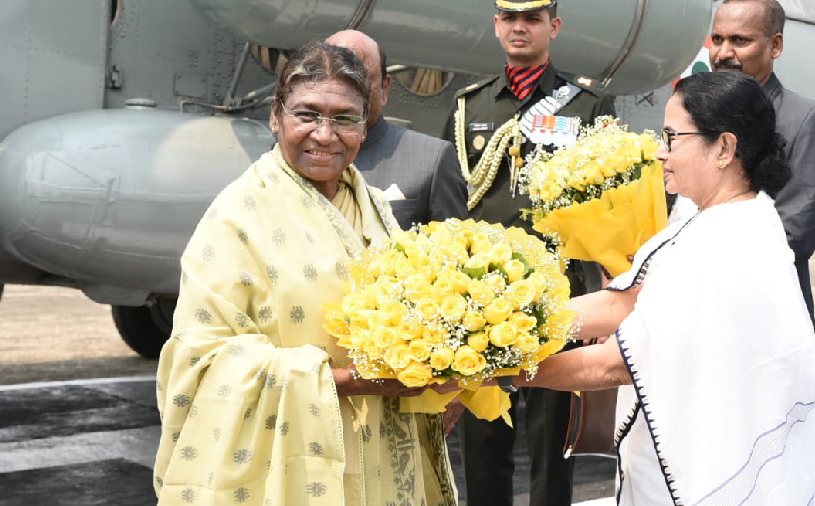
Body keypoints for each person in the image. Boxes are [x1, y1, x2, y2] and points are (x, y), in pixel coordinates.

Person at [153, 41, 457, 506]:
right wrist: (347, 381)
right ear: (276, 117)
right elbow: (202, 360)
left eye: (344, 118)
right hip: (292, 468)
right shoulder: (237, 217)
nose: (325, 134)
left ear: (366, 122)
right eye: (307, 114)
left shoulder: (373, 206)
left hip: (381, 454)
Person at [515, 71, 815, 505]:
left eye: (671, 138)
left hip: (711, 470)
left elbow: (614, 364)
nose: (660, 154)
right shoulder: (728, 218)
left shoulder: (728, 239)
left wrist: (502, 369)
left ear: (723, 147)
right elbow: (625, 302)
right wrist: (513, 320)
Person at [443, 1, 616, 505]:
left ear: (553, 27)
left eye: (533, 19)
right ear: (497, 25)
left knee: (550, 442)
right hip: (480, 296)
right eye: (510, 19)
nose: (520, 27)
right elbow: (452, 201)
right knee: (483, 436)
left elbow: (607, 202)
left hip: (556, 294)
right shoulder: (469, 107)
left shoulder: (585, 108)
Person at [710, 0, 815, 326]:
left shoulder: (807, 120)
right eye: (717, 39)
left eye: (739, 41)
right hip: (696, 312)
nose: (723, 53)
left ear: (775, 45)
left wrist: (695, 259)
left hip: (767, 315)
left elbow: (795, 232)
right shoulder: (696, 117)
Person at [326, 30, 468, 230]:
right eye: (334, 79)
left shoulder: (431, 160)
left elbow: (455, 252)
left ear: (385, 89)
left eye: (360, 80)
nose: (346, 93)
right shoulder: (295, 152)